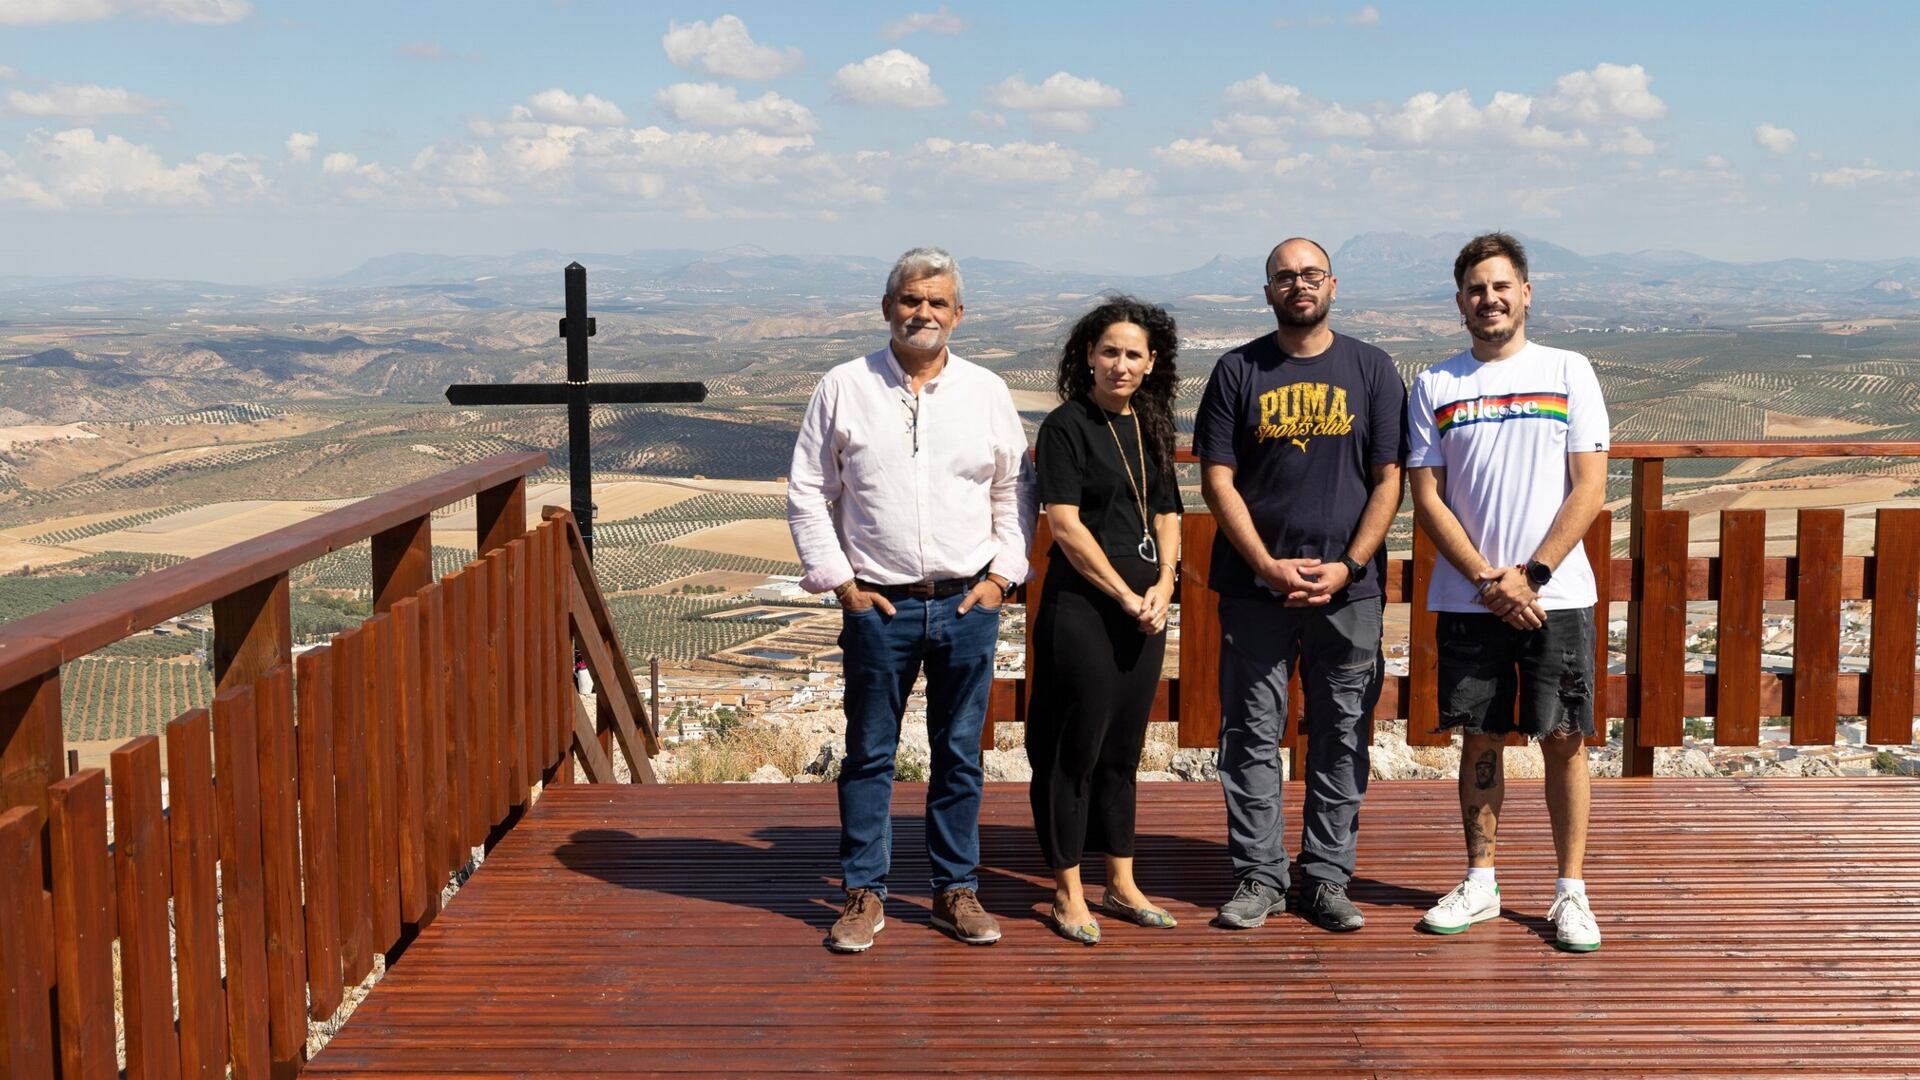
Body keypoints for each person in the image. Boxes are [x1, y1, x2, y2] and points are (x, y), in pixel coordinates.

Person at [786, 246, 1033, 953]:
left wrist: (999, 581)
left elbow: (1013, 489)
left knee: (959, 754)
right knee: (869, 753)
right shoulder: (843, 385)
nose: (921, 312)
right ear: (887, 306)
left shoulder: (986, 391)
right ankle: (864, 892)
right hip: (880, 607)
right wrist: (843, 583)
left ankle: (956, 890)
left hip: (966, 605)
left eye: (936, 302)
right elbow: (809, 489)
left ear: (959, 313)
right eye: (909, 299)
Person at [1193, 237, 1406, 933]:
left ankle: (1325, 877)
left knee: (1342, 733)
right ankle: (1260, 876)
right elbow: (1216, 478)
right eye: (1285, 277)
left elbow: (1389, 479)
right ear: (1268, 292)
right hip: (1257, 588)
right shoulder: (1236, 371)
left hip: (1349, 591)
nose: (1299, 285)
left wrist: (1349, 564)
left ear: (1333, 285)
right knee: (1251, 735)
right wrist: (1262, 564)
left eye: (1310, 274)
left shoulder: (1372, 369)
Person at [1406, 231, 1610, 953]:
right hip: (1471, 598)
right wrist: (1490, 581)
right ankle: (1481, 881)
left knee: (1564, 739)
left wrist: (1534, 575)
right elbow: (1427, 498)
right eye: (1474, 289)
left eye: (1500, 286)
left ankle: (1570, 892)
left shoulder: (1568, 371)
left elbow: (1590, 485)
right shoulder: (1435, 383)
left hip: (1555, 594)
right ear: (1459, 301)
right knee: (1480, 738)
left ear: (1525, 292)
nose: (1488, 299)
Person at [1026, 297, 1185, 946]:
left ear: (1151, 365)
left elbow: (1168, 512)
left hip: (1145, 613)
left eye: (1133, 354)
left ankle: (1120, 886)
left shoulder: (1150, 425)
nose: (1121, 365)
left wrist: (1167, 582)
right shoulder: (1065, 427)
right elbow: (1064, 526)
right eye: (1109, 352)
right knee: (1074, 753)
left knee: (1123, 753)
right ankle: (1067, 894)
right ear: (1087, 357)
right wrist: (1126, 593)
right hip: (1086, 610)